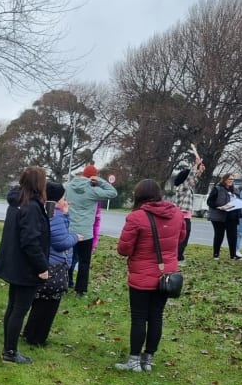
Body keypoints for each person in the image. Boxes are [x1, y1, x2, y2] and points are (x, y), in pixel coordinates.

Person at [114, 179, 185, 372]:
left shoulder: (136, 217)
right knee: (156, 316)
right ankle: (148, 359)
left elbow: (124, 249)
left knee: (138, 317)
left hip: (141, 275)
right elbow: (181, 238)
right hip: (166, 275)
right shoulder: (177, 214)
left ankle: (134, 359)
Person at [0, 166, 51, 364]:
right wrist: (42, 267)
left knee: (13, 307)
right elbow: (30, 241)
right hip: (25, 267)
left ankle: (8, 347)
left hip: (14, 263)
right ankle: (10, 351)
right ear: (39, 183)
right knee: (19, 309)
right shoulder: (31, 207)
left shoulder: (17, 203)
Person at [23, 181, 80, 346]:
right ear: (56, 200)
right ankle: (38, 338)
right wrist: (76, 238)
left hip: (48, 262)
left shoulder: (49, 212)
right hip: (54, 265)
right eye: (63, 198)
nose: (65, 201)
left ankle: (30, 333)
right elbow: (61, 241)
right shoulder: (54, 215)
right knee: (48, 304)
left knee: (40, 301)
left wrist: (66, 214)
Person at [64, 164, 117, 295]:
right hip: (86, 233)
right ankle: (80, 290)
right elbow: (113, 193)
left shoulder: (68, 187)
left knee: (67, 259)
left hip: (69, 229)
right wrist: (99, 181)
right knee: (84, 262)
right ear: (93, 177)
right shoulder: (93, 191)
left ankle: (65, 283)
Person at [172, 151, 204, 264]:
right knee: (182, 238)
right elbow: (190, 177)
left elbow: (193, 180)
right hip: (182, 216)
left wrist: (199, 172)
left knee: (184, 238)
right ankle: (177, 257)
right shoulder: (182, 187)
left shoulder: (188, 187)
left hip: (186, 216)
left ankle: (178, 256)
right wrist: (196, 165)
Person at [207, 173, 242, 260]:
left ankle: (233, 255)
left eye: (233, 180)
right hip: (219, 216)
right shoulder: (217, 189)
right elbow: (210, 201)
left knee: (233, 236)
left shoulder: (236, 190)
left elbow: (239, 201)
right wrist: (218, 207)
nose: (231, 181)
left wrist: (239, 212)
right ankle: (216, 254)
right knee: (219, 235)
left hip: (232, 216)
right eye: (229, 179)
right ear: (224, 179)